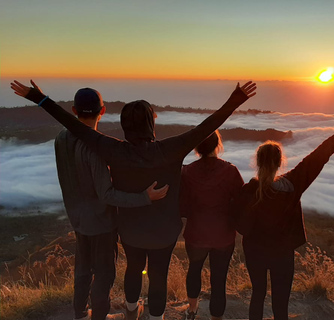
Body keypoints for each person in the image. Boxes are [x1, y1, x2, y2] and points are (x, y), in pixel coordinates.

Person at [11, 79, 256, 320]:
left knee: (133, 270)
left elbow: (77, 128)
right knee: (158, 275)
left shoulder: (113, 149)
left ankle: (130, 310)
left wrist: (40, 99)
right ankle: (155, 317)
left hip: (129, 231)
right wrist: (235, 100)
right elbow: (207, 126)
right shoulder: (172, 148)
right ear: (151, 123)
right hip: (164, 232)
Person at [232, 115, 334, 320]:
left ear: (258, 163)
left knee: (257, 295)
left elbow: (239, 225)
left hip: (255, 252)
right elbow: (318, 156)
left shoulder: (248, 191)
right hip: (283, 254)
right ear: (280, 163)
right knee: (281, 303)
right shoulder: (293, 185)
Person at [55, 87, 169, 320]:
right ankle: (99, 315)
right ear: (103, 111)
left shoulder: (60, 139)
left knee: (83, 270)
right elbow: (106, 194)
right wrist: (145, 198)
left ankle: (79, 314)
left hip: (77, 218)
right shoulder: (94, 148)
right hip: (101, 223)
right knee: (104, 274)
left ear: (74, 110)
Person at [180, 131, 244, 320]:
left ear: (197, 148)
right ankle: (216, 318)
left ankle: (192, 310)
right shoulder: (230, 171)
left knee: (194, 270)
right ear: (218, 146)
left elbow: (182, 207)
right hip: (223, 236)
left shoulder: (187, 171)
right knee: (219, 278)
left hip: (196, 234)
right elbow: (241, 202)